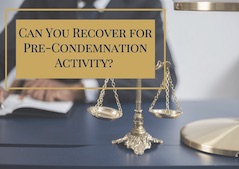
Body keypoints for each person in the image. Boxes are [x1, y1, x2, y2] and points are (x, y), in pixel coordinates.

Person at [0, 0, 176, 104]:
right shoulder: (43, 2)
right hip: (44, 115)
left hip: (114, 118)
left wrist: (79, 89)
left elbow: (162, 80)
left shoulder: (142, 4)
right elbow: (4, 52)